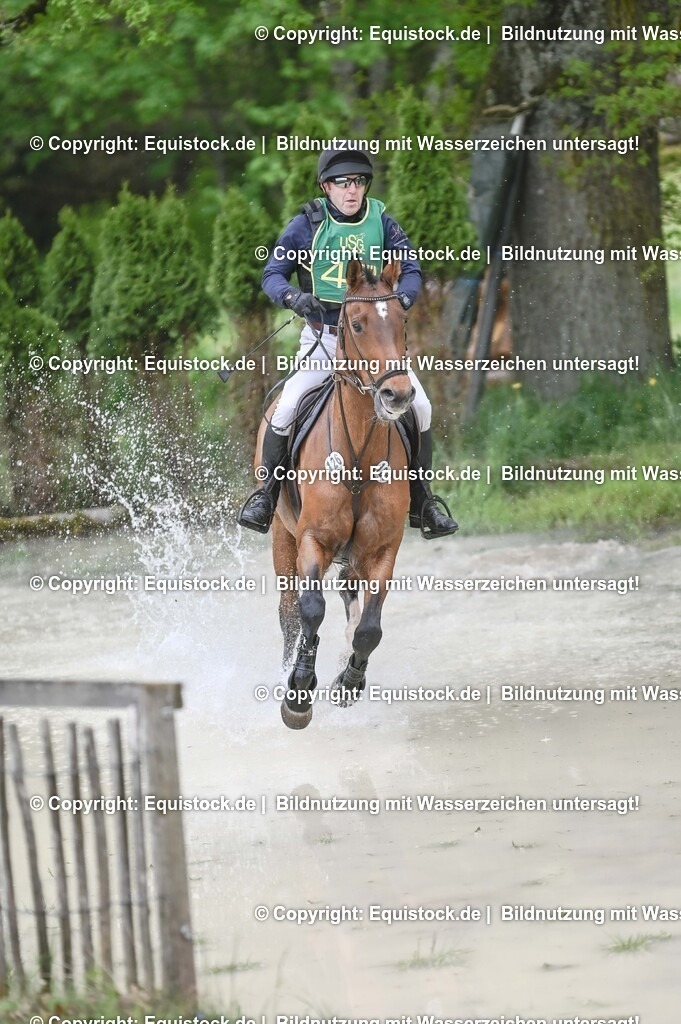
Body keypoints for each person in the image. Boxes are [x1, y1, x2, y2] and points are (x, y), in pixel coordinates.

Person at [237, 146, 458, 540]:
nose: (351, 190)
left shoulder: (383, 222)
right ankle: (266, 496)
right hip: (324, 339)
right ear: (326, 186)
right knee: (287, 406)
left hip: (376, 344)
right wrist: (294, 297)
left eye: (358, 182)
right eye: (342, 183)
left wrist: (400, 301)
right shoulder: (305, 225)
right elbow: (272, 273)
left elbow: (411, 268)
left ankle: (424, 501)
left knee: (420, 406)